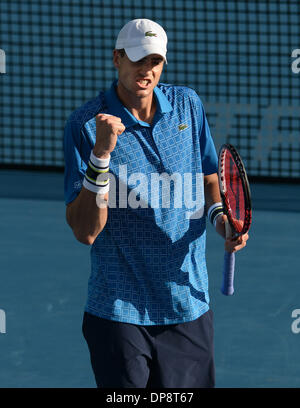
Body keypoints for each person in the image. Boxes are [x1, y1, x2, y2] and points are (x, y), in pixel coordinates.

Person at [63, 18, 248, 388]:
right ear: (117, 59)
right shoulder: (84, 126)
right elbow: (85, 231)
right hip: (118, 310)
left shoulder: (188, 105)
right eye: (136, 59)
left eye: (155, 61)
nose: (146, 70)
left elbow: (210, 177)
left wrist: (220, 221)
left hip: (187, 305)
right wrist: (101, 154)